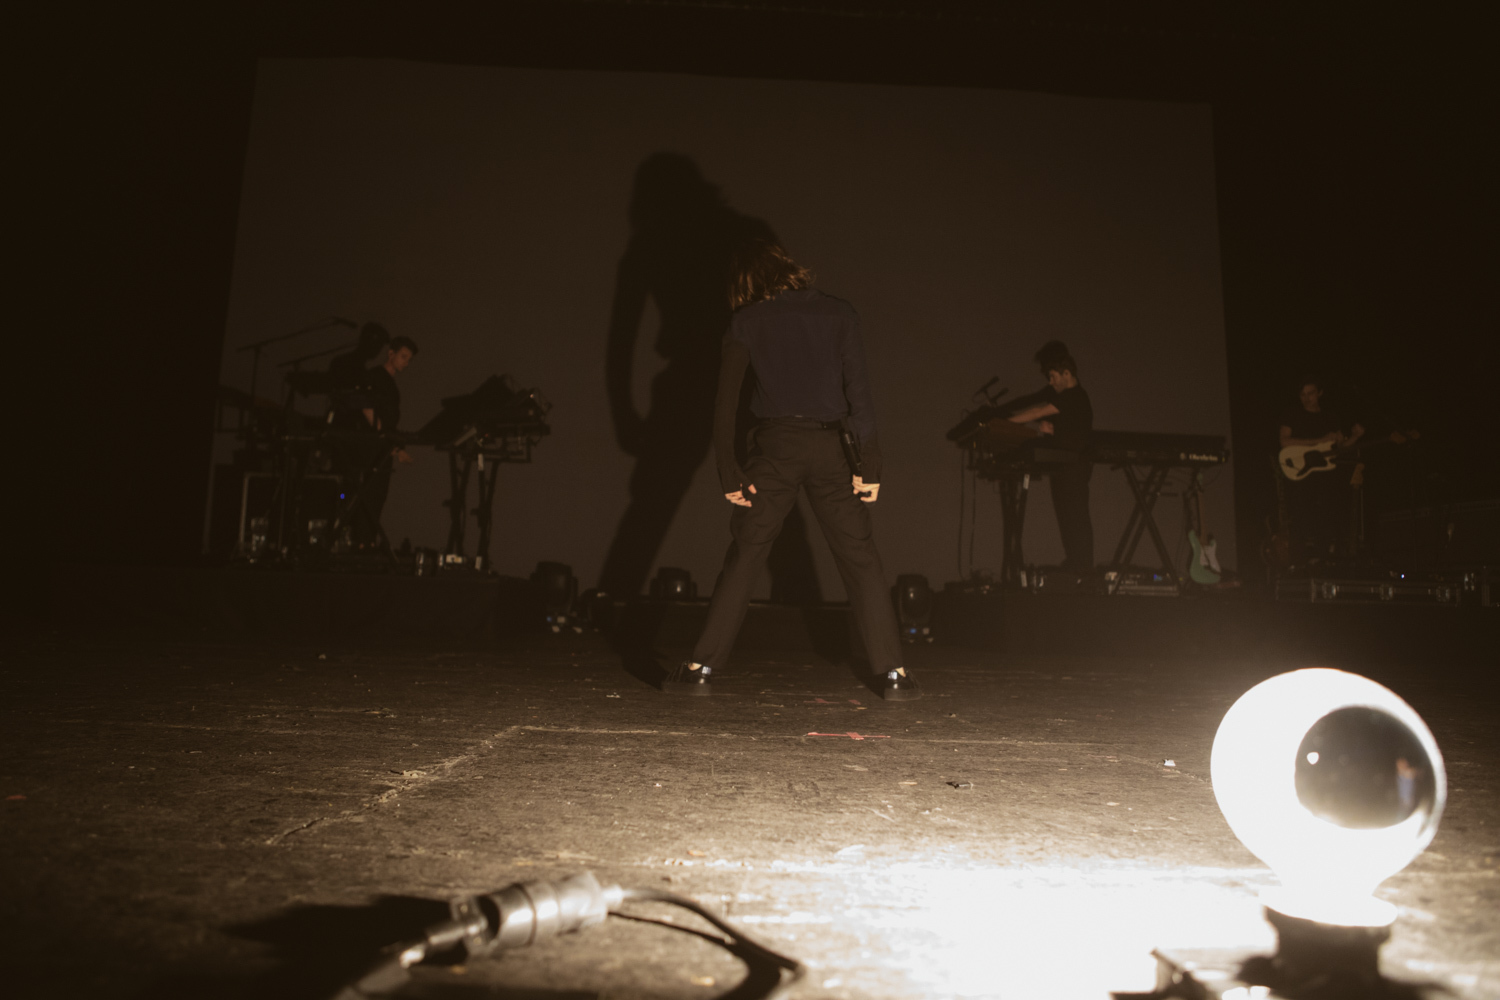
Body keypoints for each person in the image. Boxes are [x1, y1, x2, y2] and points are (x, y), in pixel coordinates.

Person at [661, 240, 917, 701]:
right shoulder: (840, 314)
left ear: (746, 282)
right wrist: (870, 464)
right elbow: (859, 392)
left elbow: (725, 404)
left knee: (747, 554)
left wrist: (728, 470)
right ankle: (895, 674)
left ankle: (700, 667)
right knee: (861, 558)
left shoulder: (747, 321)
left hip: (776, 447)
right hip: (831, 448)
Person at [1005, 341, 1094, 573]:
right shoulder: (1067, 397)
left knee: (1075, 518)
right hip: (1063, 467)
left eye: (1053, 376)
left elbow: (1036, 410)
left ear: (1067, 373)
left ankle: (1082, 567)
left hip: (1074, 468)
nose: (1051, 382)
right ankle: (1076, 564)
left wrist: (1000, 423)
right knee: (1067, 518)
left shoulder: (1073, 396)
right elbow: (1059, 425)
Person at [1278, 377, 1364, 565]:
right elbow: (1284, 441)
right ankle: (1297, 562)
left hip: (1324, 473)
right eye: (1303, 394)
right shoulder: (1292, 414)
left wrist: (1356, 437)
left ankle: (1322, 558)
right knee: (1301, 515)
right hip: (1301, 472)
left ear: (1320, 393)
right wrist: (1317, 441)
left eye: (1311, 393)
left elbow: (1338, 448)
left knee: (1326, 513)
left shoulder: (1330, 417)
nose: (1307, 398)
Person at [346, 336, 417, 546]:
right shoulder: (375, 377)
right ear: (391, 354)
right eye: (403, 356)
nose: (406, 362)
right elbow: (366, 409)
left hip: (383, 448)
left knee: (377, 497)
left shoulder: (391, 385)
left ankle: (366, 541)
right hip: (371, 448)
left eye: (409, 359)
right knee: (368, 495)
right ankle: (360, 541)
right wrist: (389, 442)